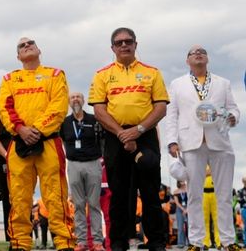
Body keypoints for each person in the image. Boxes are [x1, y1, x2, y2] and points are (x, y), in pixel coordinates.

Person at [89, 27, 168, 251]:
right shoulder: (102, 74)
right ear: (112, 47)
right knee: (120, 193)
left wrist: (139, 130)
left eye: (128, 41)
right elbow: (99, 110)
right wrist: (122, 133)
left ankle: (156, 242)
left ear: (135, 44)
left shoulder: (152, 72)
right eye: (119, 42)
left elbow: (160, 107)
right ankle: (118, 242)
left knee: (151, 191)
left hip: (146, 135)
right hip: (115, 138)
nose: (124, 45)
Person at [0, 37, 75, 251]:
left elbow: (59, 106)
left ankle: (64, 243)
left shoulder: (55, 75)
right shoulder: (9, 79)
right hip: (18, 143)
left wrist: (38, 130)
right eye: (22, 45)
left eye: (30, 43)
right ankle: (20, 243)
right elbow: (4, 107)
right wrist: (21, 129)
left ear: (39, 50)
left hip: (49, 142)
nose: (27, 45)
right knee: (19, 197)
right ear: (18, 56)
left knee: (55, 195)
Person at [165, 44, 240, 251]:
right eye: (193, 52)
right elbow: (172, 115)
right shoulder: (177, 84)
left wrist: (233, 117)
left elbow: (233, 108)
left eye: (202, 52)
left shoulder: (222, 83)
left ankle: (228, 241)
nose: (198, 54)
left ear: (207, 59)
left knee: (224, 195)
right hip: (191, 142)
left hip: (220, 141)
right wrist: (172, 141)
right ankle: (196, 242)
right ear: (187, 60)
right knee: (195, 195)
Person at [60, 92, 105, 251]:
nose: (76, 99)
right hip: (73, 165)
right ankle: (81, 242)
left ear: (84, 100)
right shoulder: (65, 122)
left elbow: (102, 140)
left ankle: (98, 242)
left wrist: (100, 158)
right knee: (78, 204)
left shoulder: (94, 120)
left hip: (93, 163)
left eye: (78, 97)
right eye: (72, 98)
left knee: (94, 204)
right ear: (69, 102)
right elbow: (64, 141)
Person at [173, 181, 189, 247]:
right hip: (179, 209)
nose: (183, 181)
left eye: (183, 180)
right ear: (178, 182)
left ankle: (190, 242)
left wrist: (187, 209)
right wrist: (183, 209)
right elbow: (176, 202)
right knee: (180, 227)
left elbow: (191, 199)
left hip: (189, 208)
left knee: (189, 226)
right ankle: (180, 243)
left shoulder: (188, 189)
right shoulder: (175, 191)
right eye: (181, 180)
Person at [237, 177, 246, 246]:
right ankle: (245, 242)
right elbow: (239, 200)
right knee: (245, 226)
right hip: (244, 209)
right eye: (244, 181)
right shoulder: (240, 191)